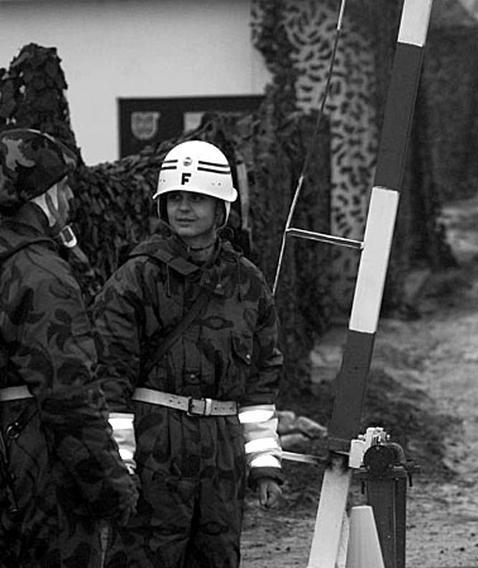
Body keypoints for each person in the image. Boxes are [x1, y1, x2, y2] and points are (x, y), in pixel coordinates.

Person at [93, 140, 285, 567]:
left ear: (221, 208)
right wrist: (120, 461)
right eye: (175, 198)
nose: (184, 208)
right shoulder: (136, 279)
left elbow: (262, 380)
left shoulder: (246, 283)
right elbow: (110, 376)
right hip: (155, 448)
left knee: (216, 559)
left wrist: (264, 462)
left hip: (221, 455)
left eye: (196, 198)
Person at [0, 128, 138, 566]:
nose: (72, 199)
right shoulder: (39, 274)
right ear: (43, 194)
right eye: (64, 188)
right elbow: (69, 398)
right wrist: (111, 488)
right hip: (35, 477)